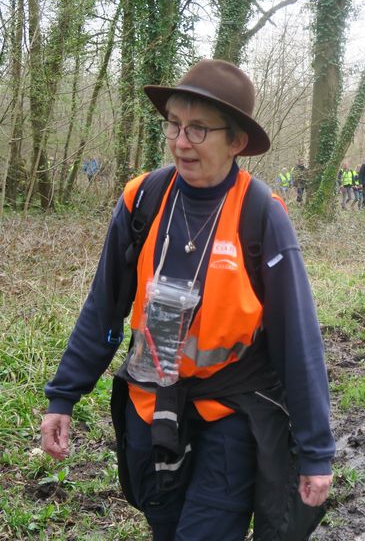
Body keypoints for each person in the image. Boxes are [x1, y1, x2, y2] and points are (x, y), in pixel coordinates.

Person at [40, 59, 334, 539]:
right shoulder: (143, 200)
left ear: (236, 141)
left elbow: (296, 340)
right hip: (150, 409)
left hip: (231, 412)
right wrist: (64, 395)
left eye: (199, 130)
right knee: (166, 529)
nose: (181, 142)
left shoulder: (261, 216)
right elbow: (104, 309)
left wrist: (315, 450)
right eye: (174, 125)